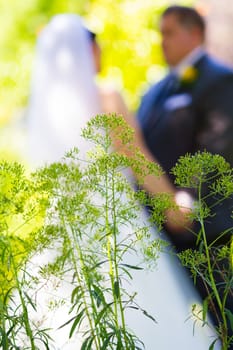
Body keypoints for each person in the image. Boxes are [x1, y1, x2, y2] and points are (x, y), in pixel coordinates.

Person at [26, 14, 218, 349]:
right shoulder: (107, 97)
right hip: (117, 221)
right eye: (97, 47)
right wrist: (175, 211)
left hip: (66, 224)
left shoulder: (48, 110)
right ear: (87, 52)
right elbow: (139, 161)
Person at [137, 4, 233, 346]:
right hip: (160, 236)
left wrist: (188, 204)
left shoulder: (220, 80)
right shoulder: (153, 92)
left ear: (194, 33)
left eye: (168, 33)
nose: (161, 42)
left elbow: (219, 148)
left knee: (220, 325)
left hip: (205, 236)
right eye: (159, 34)